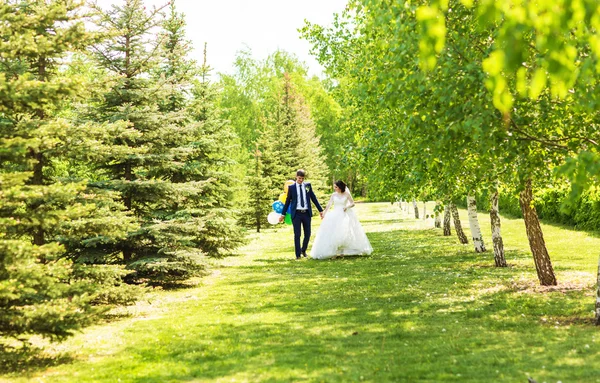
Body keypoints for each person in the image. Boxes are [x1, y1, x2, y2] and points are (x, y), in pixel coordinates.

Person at [310, 180, 373, 260]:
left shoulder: (346, 194)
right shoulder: (333, 195)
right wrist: (324, 213)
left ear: (340, 187)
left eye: (336, 187)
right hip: (335, 215)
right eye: (334, 187)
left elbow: (352, 203)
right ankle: (334, 252)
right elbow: (329, 204)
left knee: (343, 233)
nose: (335, 188)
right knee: (334, 233)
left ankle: (342, 252)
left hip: (344, 214)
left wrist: (347, 207)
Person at [279, 169, 324, 259]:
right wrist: (283, 214)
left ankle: (303, 250)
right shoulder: (291, 188)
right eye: (299, 178)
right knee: (297, 234)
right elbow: (287, 201)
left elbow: (313, 198)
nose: (301, 180)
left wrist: (320, 210)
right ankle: (298, 255)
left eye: (302, 178)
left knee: (308, 234)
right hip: (296, 214)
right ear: (296, 177)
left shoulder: (307, 186)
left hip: (306, 213)